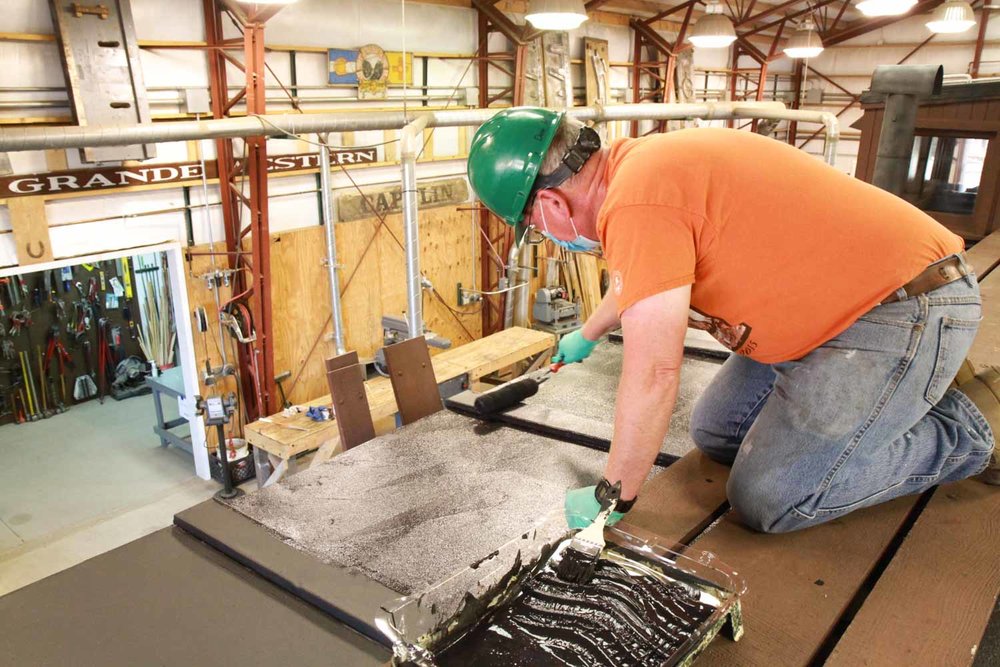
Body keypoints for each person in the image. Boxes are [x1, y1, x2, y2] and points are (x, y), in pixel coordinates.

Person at [466, 107, 998, 534]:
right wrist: (588, 333)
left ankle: (967, 431)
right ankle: (901, 393)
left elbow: (654, 373)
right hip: (831, 312)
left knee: (771, 498)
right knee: (718, 433)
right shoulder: (640, 169)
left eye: (533, 226)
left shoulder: (637, 203)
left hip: (898, 307)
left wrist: (615, 494)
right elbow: (640, 278)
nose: (546, 235)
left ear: (552, 204)